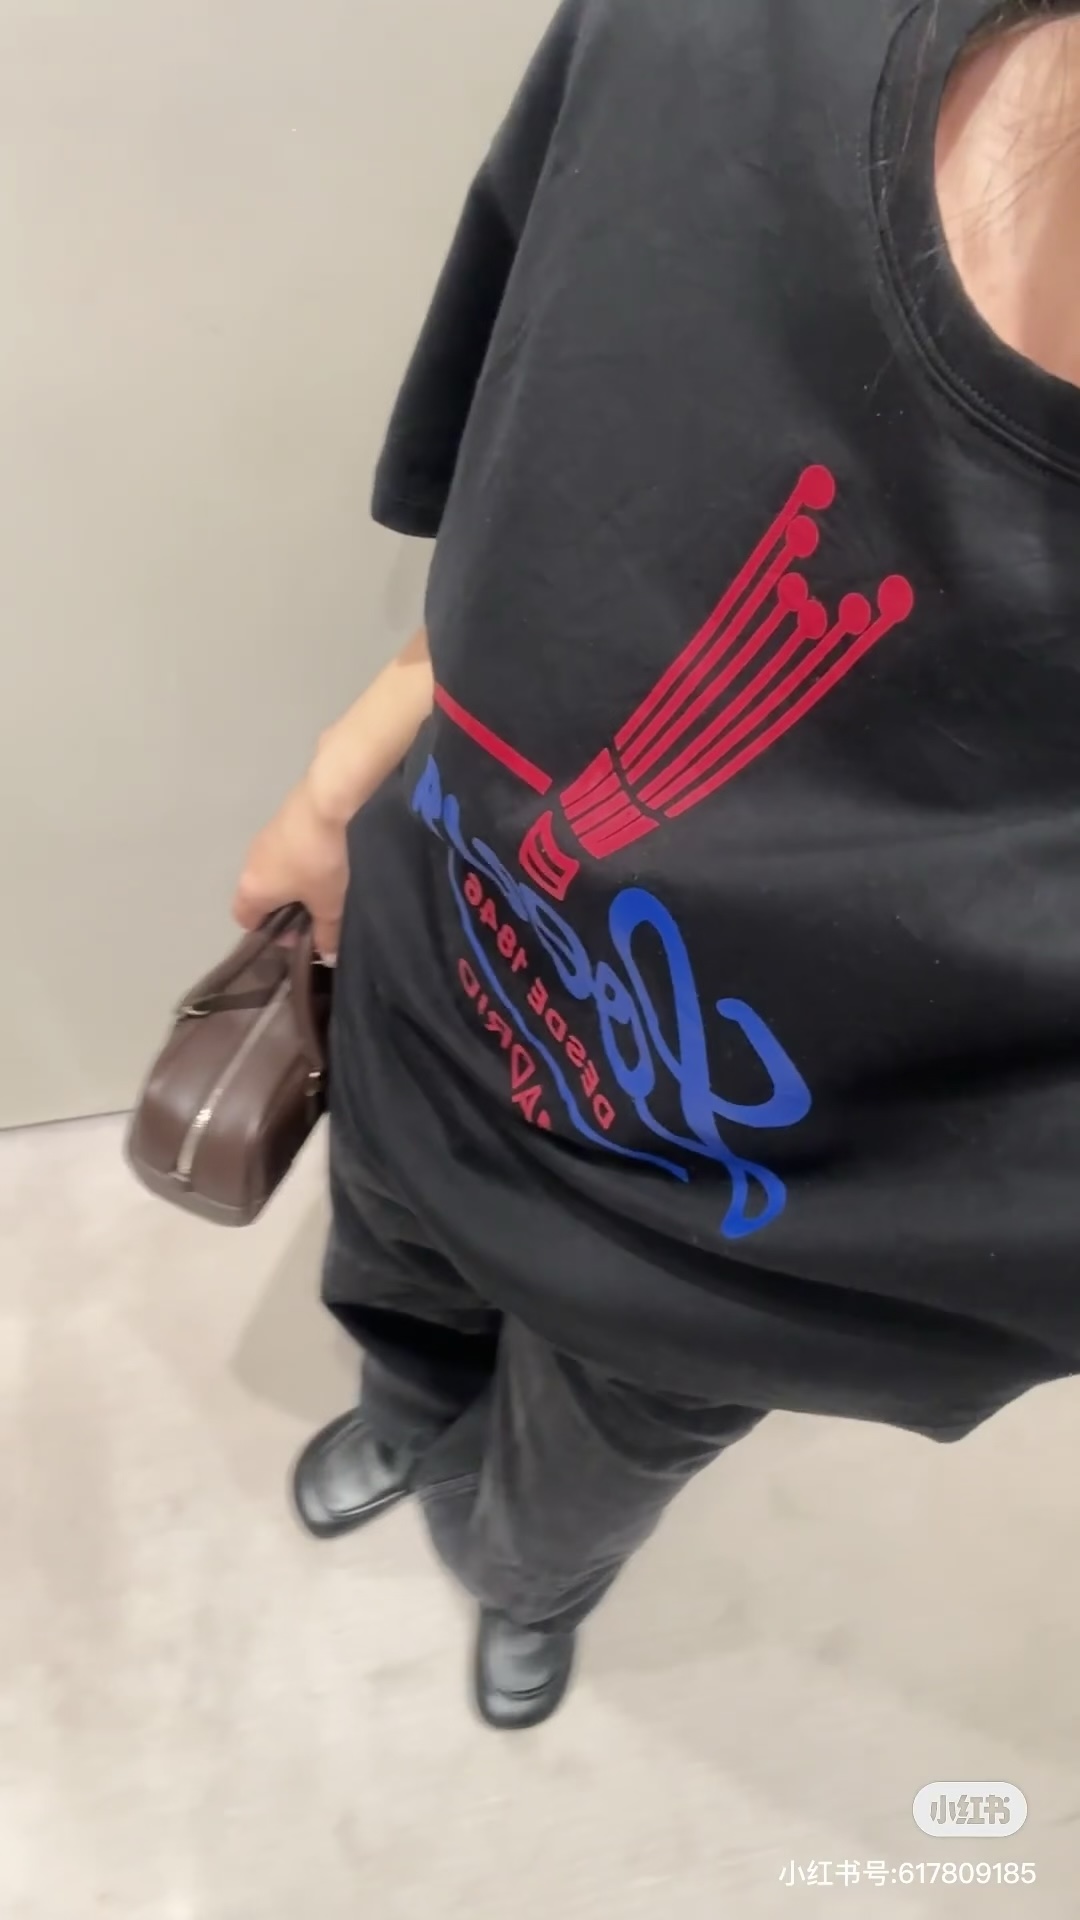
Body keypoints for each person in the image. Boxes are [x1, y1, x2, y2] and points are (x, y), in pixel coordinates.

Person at [234, 0, 1080, 1730]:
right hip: (434, 993)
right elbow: (518, 462)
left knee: (572, 1488)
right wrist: (344, 771)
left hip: (718, 1276)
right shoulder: (713, 30)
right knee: (390, 1281)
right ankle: (407, 1422)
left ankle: (522, 1584)